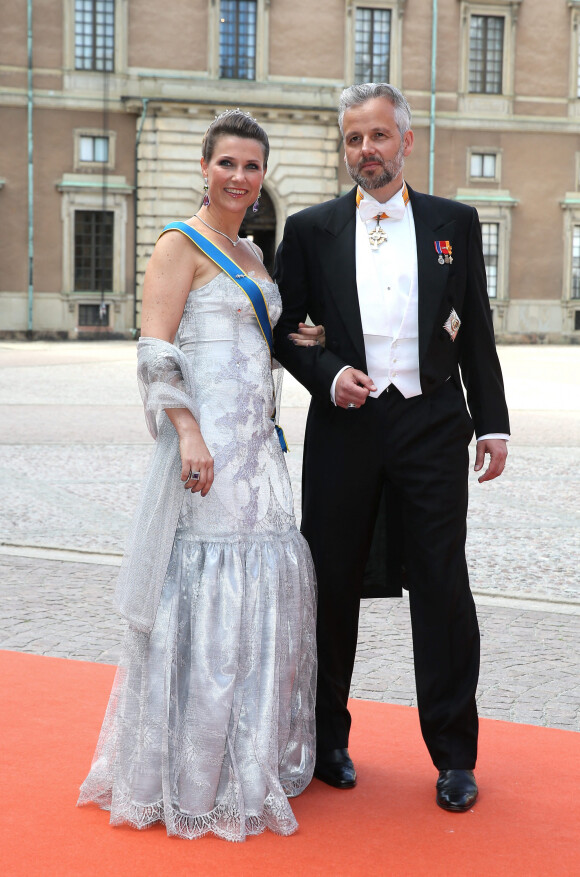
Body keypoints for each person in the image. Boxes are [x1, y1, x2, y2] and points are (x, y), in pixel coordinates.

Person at [77, 110, 317, 841]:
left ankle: (246, 755)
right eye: (227, 164)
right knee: (204, 593)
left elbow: (246, 342)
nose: (240, 177)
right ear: (204, 167)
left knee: (257, 594)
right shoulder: (178, 244)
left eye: (252, 166)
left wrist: (295, 341)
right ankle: (186, 770)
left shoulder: (252, 252)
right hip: (205, 449)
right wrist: (186, 431)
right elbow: (155, 349)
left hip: (257, 451)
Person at [273, 83, 510, 812]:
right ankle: (325, 741)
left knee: (441, 584)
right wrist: (327, 372)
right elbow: (282, 332)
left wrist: (492, 422)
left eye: (377, 136)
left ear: (405, 141)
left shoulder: (454, 223)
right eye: (353, 139)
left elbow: (474, 329)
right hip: (346, 429)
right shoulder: (310, 231)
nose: (365, 151)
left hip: (434, 423)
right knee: (331, 582)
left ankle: (454, 756)